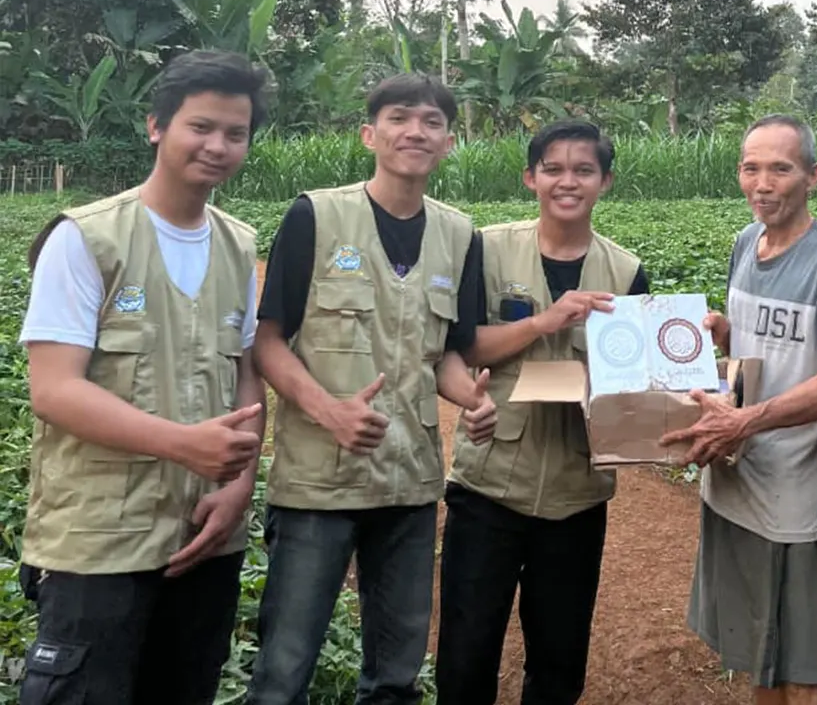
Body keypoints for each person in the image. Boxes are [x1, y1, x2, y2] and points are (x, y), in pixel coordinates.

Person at [16, 49, 269, 704]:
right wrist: (183, 444)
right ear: (156, 126)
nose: (217, 145)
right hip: (98, 543)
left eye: (235, 134)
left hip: (205, 539)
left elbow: (246, 376)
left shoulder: (239, 245)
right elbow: (55, 390)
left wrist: (239, 485)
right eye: (200, 126)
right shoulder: (87, 239)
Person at [246, 73, 495, 705]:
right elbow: (269, 339)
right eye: (400, 118)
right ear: (370, 133)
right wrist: (327, 410)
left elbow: (445, 357)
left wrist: (471, 397)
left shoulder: (461, 234)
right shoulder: (315, 215)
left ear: (449, 143)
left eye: (432, 122)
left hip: (409, 481)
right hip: (316, 483)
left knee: (397, 671)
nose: (416, 130)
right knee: (284, 667)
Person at [434, 119, 649, 705]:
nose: (567, 181)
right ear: (530, 177)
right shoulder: (487, 246)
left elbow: (638, 388)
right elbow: (464, 345)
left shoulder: (627, 273)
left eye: (584, 170)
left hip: (577, 493)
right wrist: (542, 322)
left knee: (559, 657)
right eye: (553, 168)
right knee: (466, 645)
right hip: (489, 483)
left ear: (605, 181)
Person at [659, 114, 817, 705]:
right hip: (734, 470)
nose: (763, 182)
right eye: (752, 167)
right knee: (759, 651)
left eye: (781, 168)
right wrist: (726, 334)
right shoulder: (744, 244)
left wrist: (747, 421)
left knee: (799, 664)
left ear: (813, 176)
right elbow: (763, 350)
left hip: (790, 486)